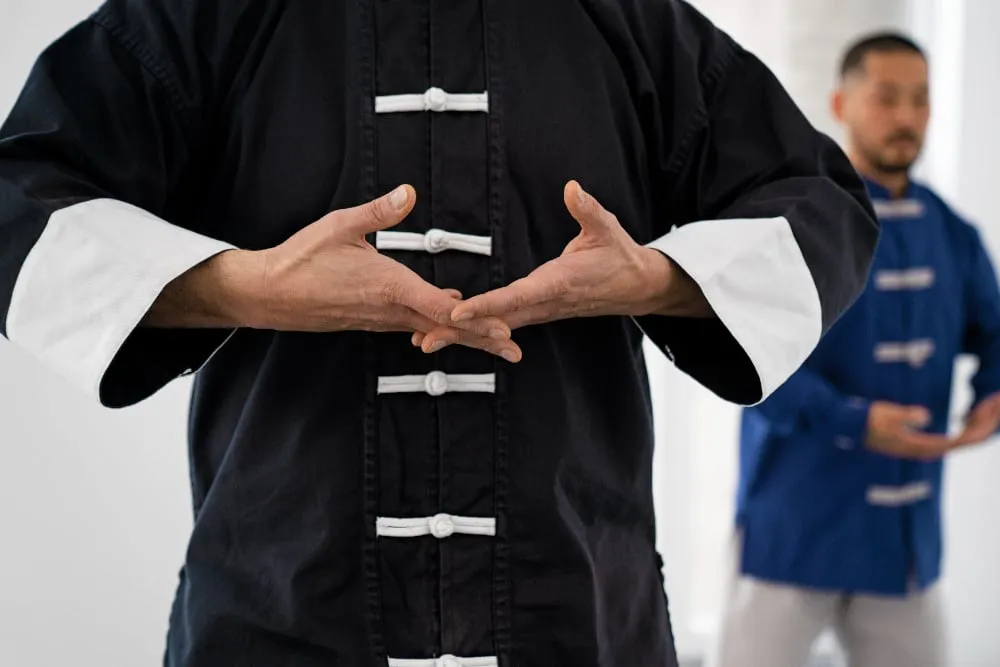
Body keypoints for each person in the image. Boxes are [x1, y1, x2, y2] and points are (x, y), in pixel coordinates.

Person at [0, 2, 878, 665]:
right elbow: (17, 198)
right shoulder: (214, 16)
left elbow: (823, 203)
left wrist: (655, 278)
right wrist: (250, 286)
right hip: (275, 614)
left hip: (579, 619)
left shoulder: (628, 21)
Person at [713, 32, 1000, 667]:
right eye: (887, 98)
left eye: (920, 99)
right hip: (791, 524)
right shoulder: (786, 227)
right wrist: (856, 421)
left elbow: (996, 332)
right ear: (841, 104)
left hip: (901, 537)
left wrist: (994, 395)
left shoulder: (953, 234)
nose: (907, 117)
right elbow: (748, 362)